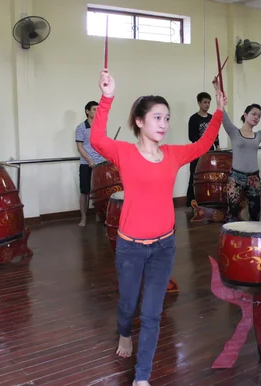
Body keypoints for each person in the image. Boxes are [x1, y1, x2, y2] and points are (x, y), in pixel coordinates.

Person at [89, 69, 225, 386]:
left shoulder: (173, 154)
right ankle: (124, 333)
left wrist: (219, 109)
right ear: (139, 121)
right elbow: (96, 140)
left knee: (152, 313)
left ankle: (141, 377)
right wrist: (107, 97)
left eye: (167, 118)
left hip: (164, 246)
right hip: (131, 248)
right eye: (157, 118)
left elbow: (205, 143)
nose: (163, 124)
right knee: (127, 306)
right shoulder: (124, 152)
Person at [222, 88, 261, 221]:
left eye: (259, 116)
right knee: (232, 212)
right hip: (236, 177)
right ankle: (232, 239)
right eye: (254, 114)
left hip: (253, 178)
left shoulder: (258, 135)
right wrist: (218, 94)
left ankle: (252, 238)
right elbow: (223, 115)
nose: (257, 117)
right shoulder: (234, 132)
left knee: (255, 212)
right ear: (245, 114)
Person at [186, 91, 220, 206]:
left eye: (209, 103)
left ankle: (207, 200)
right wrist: (201, 147)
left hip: (210, 152)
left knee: (209, 176)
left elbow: (215, 134)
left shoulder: (211, 118)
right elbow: (192, 137)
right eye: (205, 102)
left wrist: (218, 146)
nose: (207, 105)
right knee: (195, 176)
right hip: (197, 151)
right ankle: (191, 201)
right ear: (199, 103)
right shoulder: (193, 119)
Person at [75, 100, 105, 226]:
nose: (97, 111)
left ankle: (99, 214)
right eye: (94, 109)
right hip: (86, 164)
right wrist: (89, 160)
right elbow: (80, 147)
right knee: (85, 191)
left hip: (101, 163)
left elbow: (103, 144)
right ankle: (83, 217)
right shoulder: (81, 127)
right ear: (87, 111)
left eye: (98, 109)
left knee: (100, 191)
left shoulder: (101, 126)